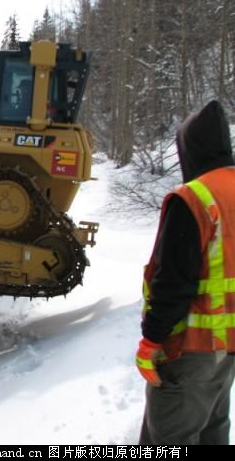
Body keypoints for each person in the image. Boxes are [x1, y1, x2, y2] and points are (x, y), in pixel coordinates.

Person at [136, 100, 235, 445]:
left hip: (188, 350)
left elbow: (173, 282)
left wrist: (151, 341)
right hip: (227, 351)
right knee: (213, 430)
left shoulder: (193, 197)